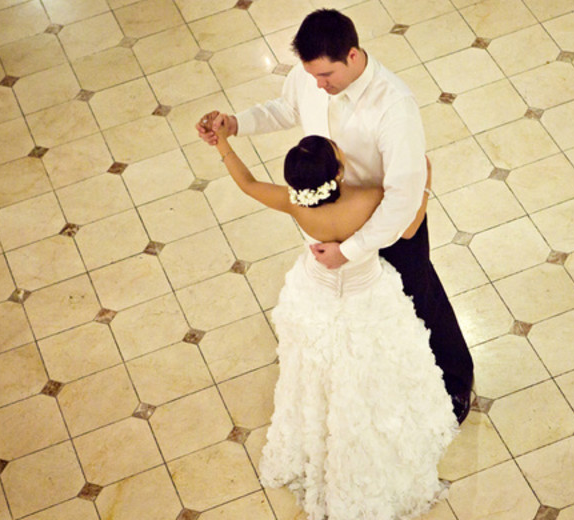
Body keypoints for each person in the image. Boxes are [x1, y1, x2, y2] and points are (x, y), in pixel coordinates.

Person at [196, 8, 474, 423]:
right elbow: (284, 110)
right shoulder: (310, 79)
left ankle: (456, 378)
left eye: (326, 76)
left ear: (353, 55)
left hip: (389, 226)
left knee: (420, 298)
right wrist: (236, 125)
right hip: (334, 217)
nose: (319, 86)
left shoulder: (394, 107)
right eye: (312, 77)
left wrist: (352, 249)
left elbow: (403, 197)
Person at [202, 112, 457, 519]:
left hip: (317, 298)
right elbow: (409, 229)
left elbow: (248, 185)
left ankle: (320, 434)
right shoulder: (370, 197)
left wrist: (223, 146)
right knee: (371, 372)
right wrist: (422, 182)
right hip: (366, 296)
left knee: (319, 375)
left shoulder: (293, 203)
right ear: (338, 173)